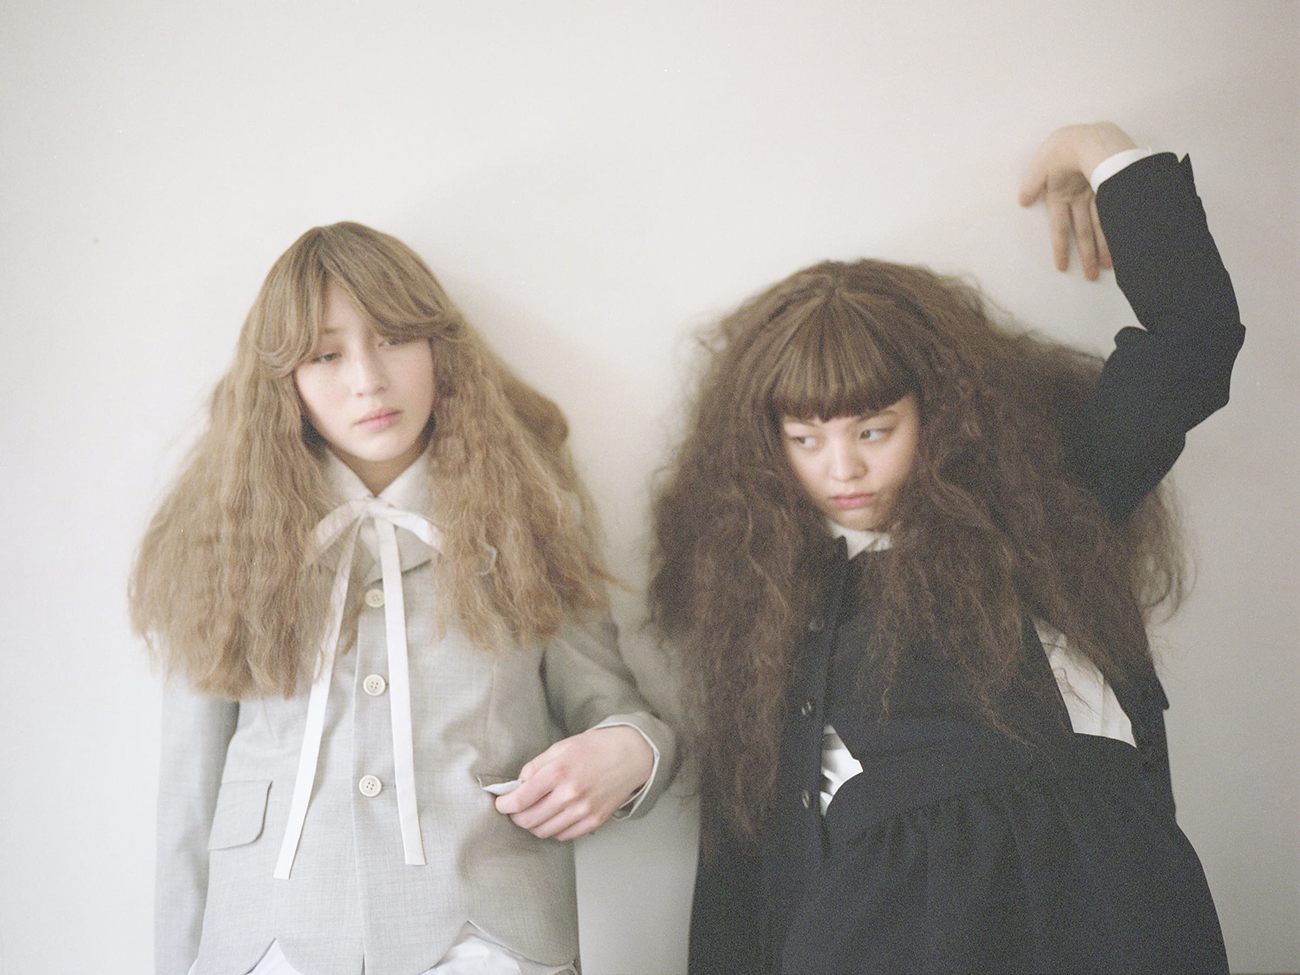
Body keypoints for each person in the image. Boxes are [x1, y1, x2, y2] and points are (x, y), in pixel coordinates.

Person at [649, 122, 1242, 974]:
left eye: (873, 429)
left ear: (940, 410)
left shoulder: (1040, 507)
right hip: (873, 929)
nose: (843, 468)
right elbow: (748, 856)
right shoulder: (768, 594)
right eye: (806, 439)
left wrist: (1102, 150)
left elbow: (1193, 341)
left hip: (1090, 901)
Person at [131, 221, 677, 975]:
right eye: (325, 355)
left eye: (393, 339)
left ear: (439, 348)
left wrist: (631, 750)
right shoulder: (219, 533)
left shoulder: (530, 517)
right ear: (281, 380)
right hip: (268, 941)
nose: (368, 380)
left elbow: (614, 707)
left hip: (487, 937)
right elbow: (189, 797)